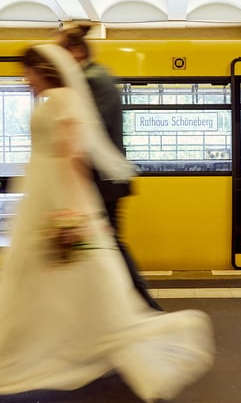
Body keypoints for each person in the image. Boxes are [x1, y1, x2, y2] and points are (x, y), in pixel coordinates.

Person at [0, 44, 214, 403]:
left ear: (42, 70)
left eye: (27, 72)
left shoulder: (64, 100)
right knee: (28, 284)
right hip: (39, 201)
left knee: (54, 284)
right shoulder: (55, 100)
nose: (25, 79)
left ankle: (1, 365)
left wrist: (73, 212)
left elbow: (75, 158)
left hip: (56, 202)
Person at [57, 23, 162, 311]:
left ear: (76, 51)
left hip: (102, 184)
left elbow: (90, 134)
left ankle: (144, 304)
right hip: (105, 182)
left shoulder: (92, 80)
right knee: (104, 246)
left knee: (110, 245)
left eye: (61, 53)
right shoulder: (95, 77)